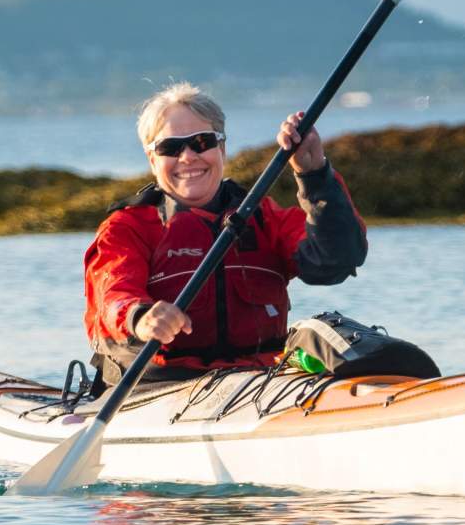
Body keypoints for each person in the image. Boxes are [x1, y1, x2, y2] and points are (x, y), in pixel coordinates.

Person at [83, 83, 367, 385]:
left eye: (201, 142)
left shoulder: (263, 218)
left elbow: (337, 260)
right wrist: (141, 318)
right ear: (152, 159)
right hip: (160, 386)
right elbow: (113, 294)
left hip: (259, 381)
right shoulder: (128, 227)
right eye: (170, 148)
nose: (188, 157)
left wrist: (314, 175)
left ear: (221, 148)